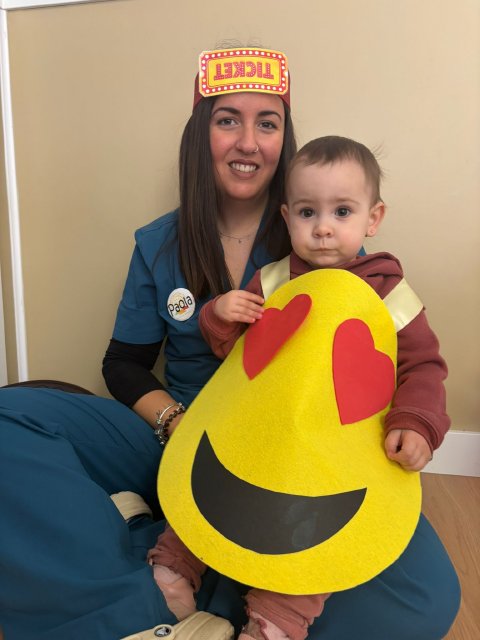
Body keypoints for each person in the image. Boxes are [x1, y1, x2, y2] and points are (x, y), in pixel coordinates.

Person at [0, 45, 459, 639]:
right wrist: (176, 421)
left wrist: (412, 422)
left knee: (427, 597)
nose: (248, 142)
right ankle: (167, 587)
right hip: (183, 436)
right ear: (201, 135)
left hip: (298, 463)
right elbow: (124, 364)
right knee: (11, 419)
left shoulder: (327, 243)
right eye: (227, 121)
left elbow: (398, 361)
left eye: (267, 123)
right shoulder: (160, 243)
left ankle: (175, 577)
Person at [148, 135, 456, 640]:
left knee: (317, 537)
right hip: (260, 430)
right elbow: (235, 357)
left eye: (342, 212)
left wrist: (417, 422)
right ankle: (175, 567)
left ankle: (276, 619)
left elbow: (422, 366)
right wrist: (220, 316)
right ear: (288, 217)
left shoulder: (389, 295)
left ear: (373, 218)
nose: (323, 228)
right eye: (308, 213)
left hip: (333, 451)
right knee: (202, 488)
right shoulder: (273, 282)